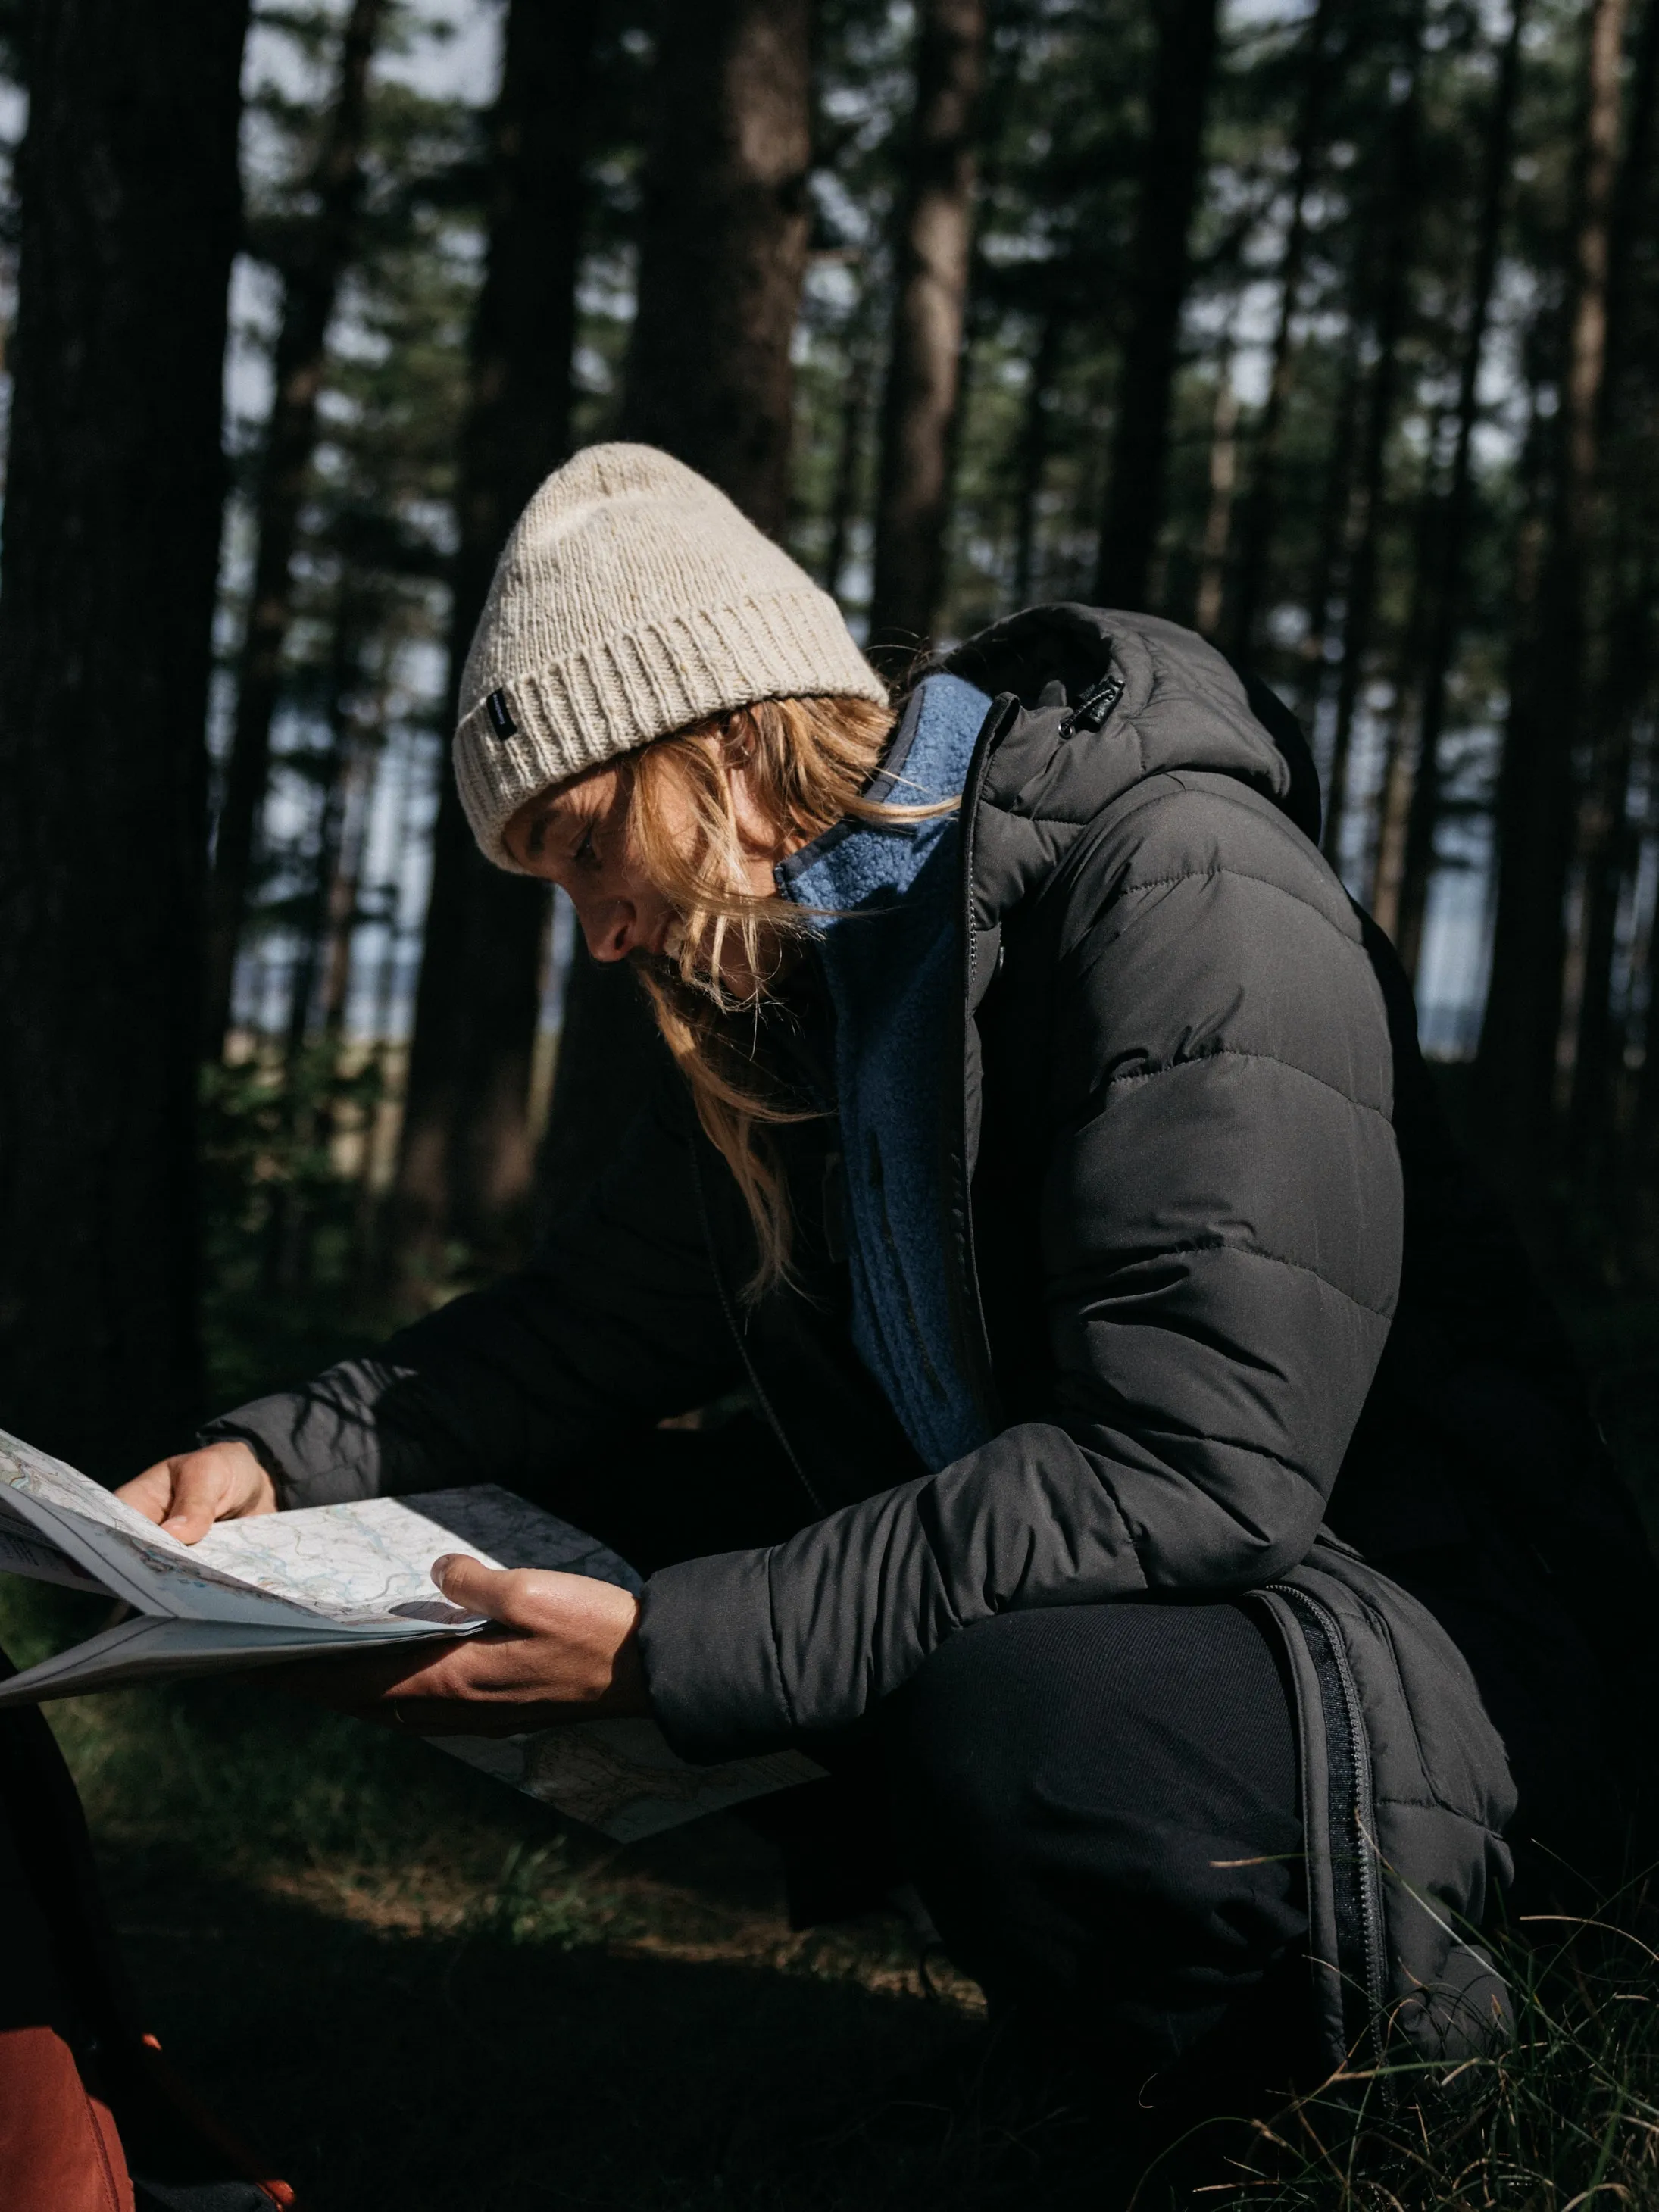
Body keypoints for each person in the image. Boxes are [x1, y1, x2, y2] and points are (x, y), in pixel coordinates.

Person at [119, 442, 1656, 2099]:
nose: (601, 932)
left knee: (1023, 1724)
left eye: (583, 846)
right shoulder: (798, 982)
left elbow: (1197, 1468)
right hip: (1137, 1589)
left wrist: (665, 1652)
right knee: (465, 1541)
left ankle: (1319, 2097)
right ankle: (1047, 1967)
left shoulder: (1179, 881)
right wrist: (277, 1457)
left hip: (1399, 1648)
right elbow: (576, 1330)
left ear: (714, 732)